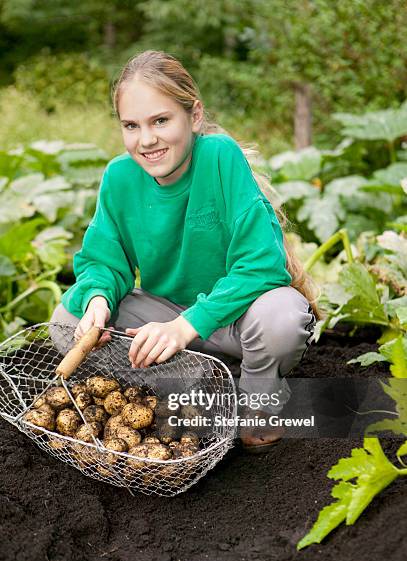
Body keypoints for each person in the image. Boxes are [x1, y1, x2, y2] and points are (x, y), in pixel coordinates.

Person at [50, 50, 319, 452]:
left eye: (160, 121)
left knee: (282, 316)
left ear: (193, 116)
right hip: (165, 321)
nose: (146, 139)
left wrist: (185, 327)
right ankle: (203, 383)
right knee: (65, 321)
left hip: (237, 320)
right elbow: (103, 260)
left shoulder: (219, 158)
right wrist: (99, 301)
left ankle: (258, 397)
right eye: (131, 125)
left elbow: (262, 264)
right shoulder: (119, 177)